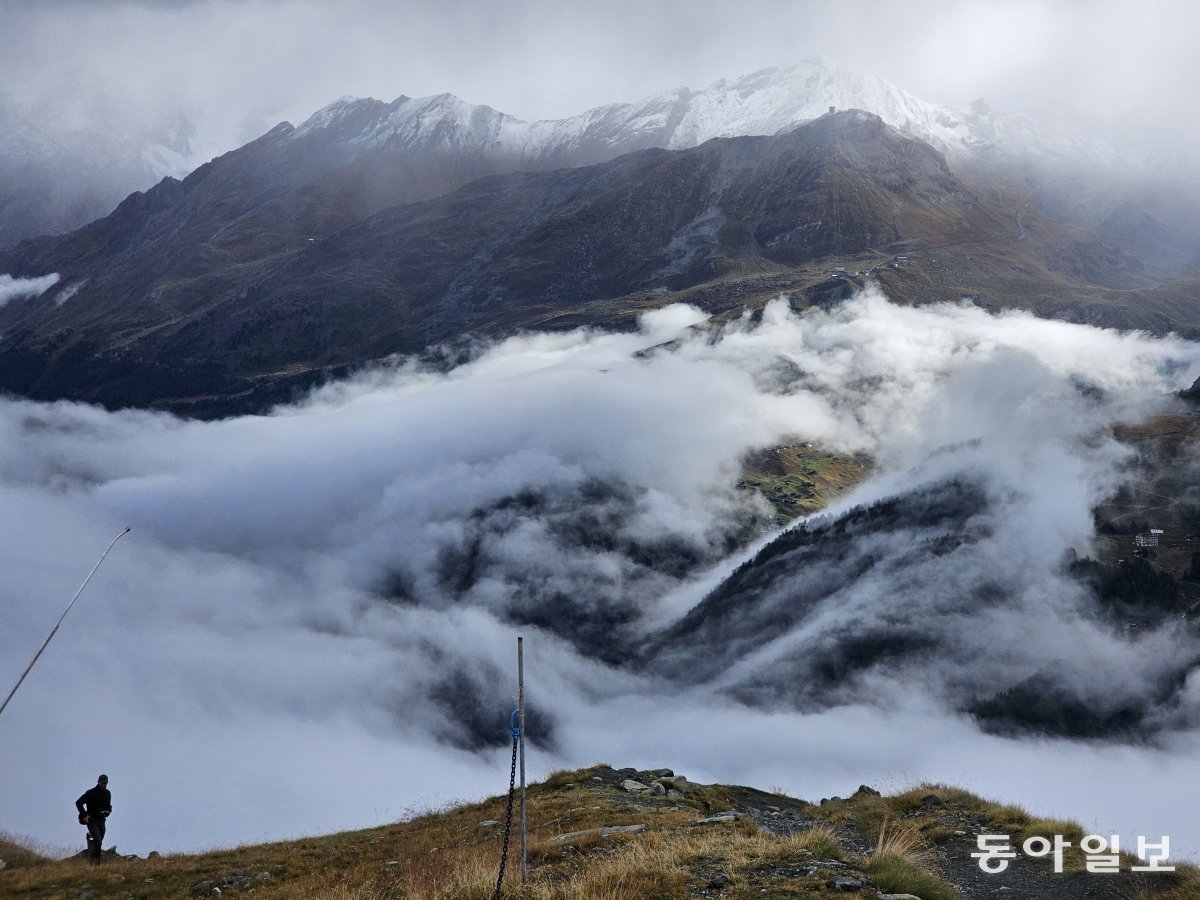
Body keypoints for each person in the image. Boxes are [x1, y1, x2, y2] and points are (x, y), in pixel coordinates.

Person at [75, 774, 112, 864]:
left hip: (101, 820)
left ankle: (90, 838)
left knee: (98, 840)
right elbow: (78, 802)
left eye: (106, 783)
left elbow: (108, 806)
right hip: (92, 820)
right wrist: (84, 815)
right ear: (98, 782)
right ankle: (97, 862)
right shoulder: (90, 793)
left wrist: (107, 811)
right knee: (98, 841)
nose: (104, 784)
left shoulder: (107, 793)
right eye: (103, 782)